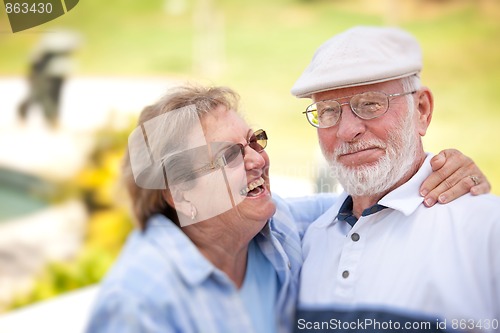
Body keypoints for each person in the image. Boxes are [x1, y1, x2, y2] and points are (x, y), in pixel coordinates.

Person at [85, 84, 489, 333]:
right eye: (228, 155)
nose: (258, 160)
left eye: (255, 141)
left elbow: (377, 202)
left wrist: (443, 172)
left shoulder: (281, 226)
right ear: (181, 194)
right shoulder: (138, 301)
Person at [292, 26, 500, 331]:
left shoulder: (486, 229)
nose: (347, 131)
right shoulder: (310, 238)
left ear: (422, 110)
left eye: (370, 104)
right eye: (327, 111)